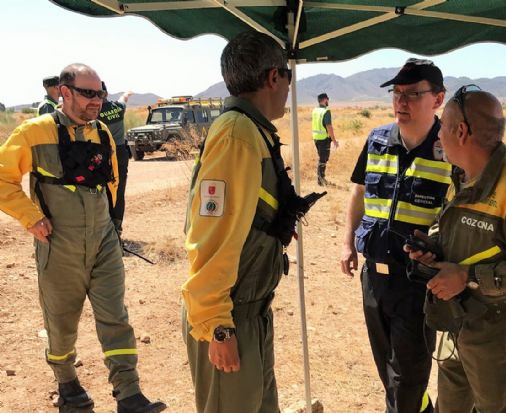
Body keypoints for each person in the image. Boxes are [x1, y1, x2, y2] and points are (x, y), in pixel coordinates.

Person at [0, 63, 166, 413]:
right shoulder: (35, 131)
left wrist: (111, 225)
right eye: (89, 93)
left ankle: (129, 392)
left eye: (101, 93)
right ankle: (68, 386)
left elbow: (113, 183)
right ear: (65, 91)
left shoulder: (103, 132)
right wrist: (31, 218)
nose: (97, 101)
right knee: (61, 321)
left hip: (103, 239)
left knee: (115, 316)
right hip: (58, 243)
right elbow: (2, 179)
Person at [407, 86, 506, 413]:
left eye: (442, 127)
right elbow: (456, 234)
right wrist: (432, 248)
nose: (438, 135)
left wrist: (466, 277)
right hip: (457, 321)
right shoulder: (463, 177)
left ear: (461, 131)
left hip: (500, 330)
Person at [182, 31, 292, 413]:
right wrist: (218, 324)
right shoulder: (237, 134)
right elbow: (210, 235)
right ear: (273, 78)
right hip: (230, 317)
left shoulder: (253, 130)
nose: (289, 88)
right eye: (288, 75)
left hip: (249, 313)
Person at [340, 58, 451, 413]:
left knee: (407, 377)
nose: (401, 102)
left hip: (417, 283)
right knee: (390, 369)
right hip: (374, 277)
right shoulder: (376, 141)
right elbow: (358, 194)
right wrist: (347, 243)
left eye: (412, 94)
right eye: (397, 93)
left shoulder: (452, 148)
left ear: (437, 99)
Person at [98, 82, 133, 235]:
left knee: (103, 190)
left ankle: (106, 228)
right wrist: (127, 93)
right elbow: (123, 99)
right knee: (118, 191)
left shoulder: (94, 113)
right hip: (120, 153)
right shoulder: (118, 108)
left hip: (102, 153)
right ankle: (116, 228)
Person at [311, 92, 339, 185]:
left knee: (322, 158)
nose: (328, 101)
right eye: (328, 99)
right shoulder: (326, 111)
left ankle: (321, 179)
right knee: (323, 159)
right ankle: (321, 180)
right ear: (325, 99)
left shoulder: (315, 110)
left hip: (316, 138)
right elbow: (329, 126)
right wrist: (334, 140)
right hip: (324, 139)